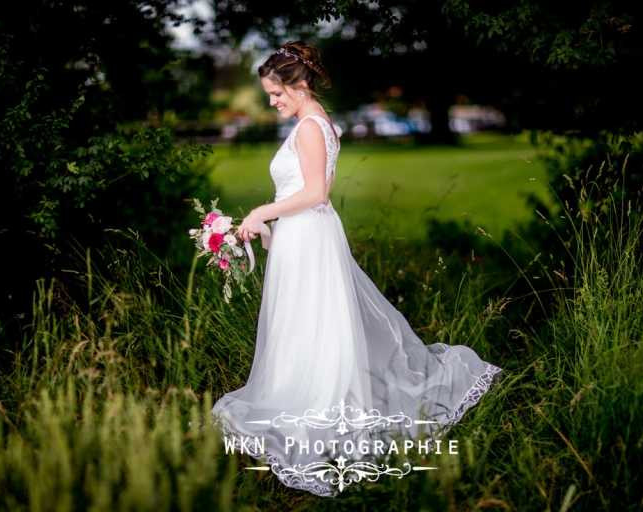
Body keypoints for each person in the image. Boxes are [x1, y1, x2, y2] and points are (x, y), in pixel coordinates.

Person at [212, 41, 501, 497]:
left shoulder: (310, 127)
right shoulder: (322, 123)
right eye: (269, 94)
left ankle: (318, 410)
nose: (272, 102)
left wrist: (261, 211)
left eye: (276, 93)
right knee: (310, 324)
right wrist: (264, 230)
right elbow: (308, 194)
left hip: (310, 233)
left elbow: (316, 194)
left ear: (300, 84)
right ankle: (312, 399)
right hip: (305, 236)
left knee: (311, 323)